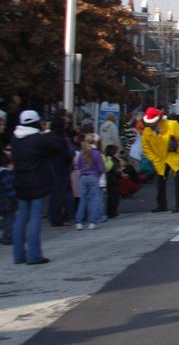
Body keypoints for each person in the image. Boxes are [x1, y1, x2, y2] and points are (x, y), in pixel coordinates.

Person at [11, 111, 63, 264]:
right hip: (38, 182)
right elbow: (57, 149)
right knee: (35, 219)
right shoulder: (39, 139)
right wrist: (47, 132)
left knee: (20, 219)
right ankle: (34, 255)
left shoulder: (15, 139)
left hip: (21, 181)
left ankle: (18, 255)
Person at [74, 133, 105, 230]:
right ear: (95, 141)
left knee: (83, 199)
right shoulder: (96, 153)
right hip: (94, 176)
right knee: (94, 199)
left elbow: (78, 166)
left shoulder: (82, 153)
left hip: (83, 177)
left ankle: (78, 222)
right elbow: (101, 168)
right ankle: (92, 221)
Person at [104, 144, 122, 218]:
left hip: (109, 180)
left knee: (111, 197)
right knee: (114, 197)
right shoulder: (114, 160)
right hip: (113, 180)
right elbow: (116, 170)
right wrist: (120, 172)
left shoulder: (107, 158)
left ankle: (111, 211)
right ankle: (112, 212)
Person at [0, 152, 15, 245]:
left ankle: (6, 236)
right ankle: (8, 236)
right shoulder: (6, 173)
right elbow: (10, 188)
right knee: (9, 219)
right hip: (6, 200)